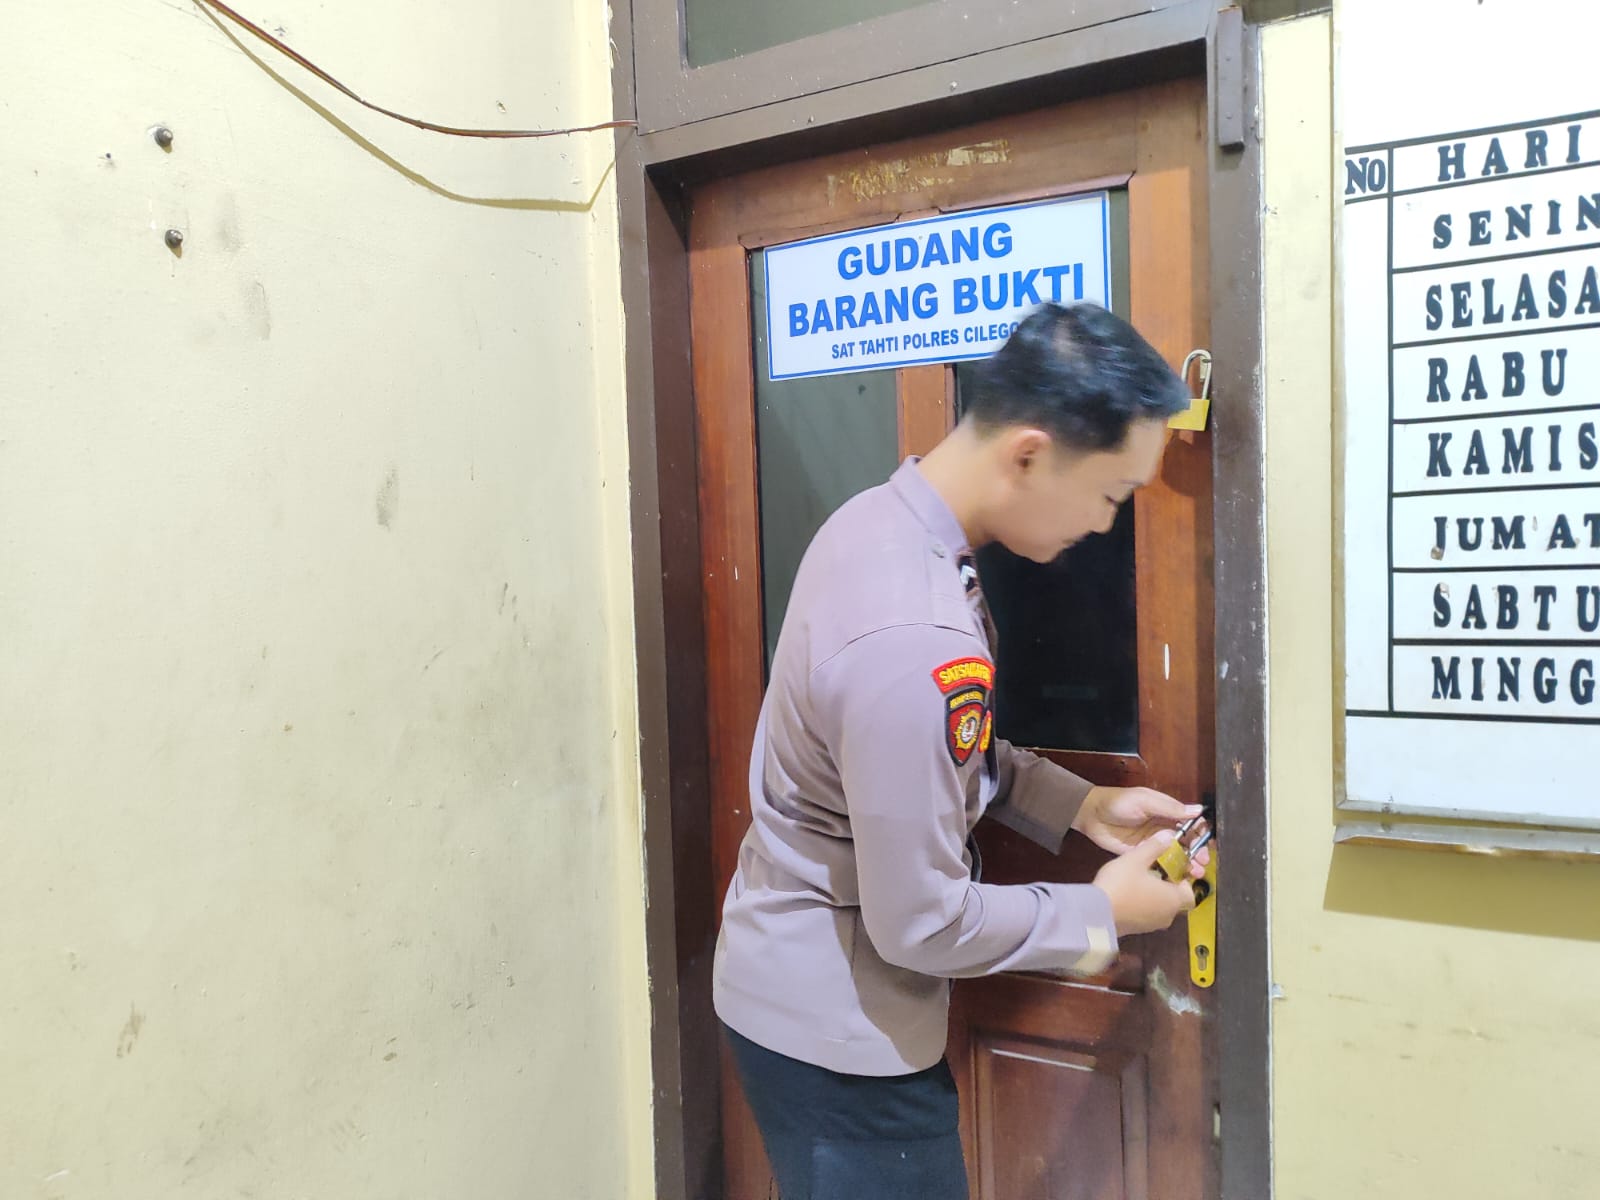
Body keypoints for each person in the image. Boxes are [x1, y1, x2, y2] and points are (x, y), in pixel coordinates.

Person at [711, 301, 1209, 1200]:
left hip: (797, 988)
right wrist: (1102, 915)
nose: (1105, 525)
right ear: (1028, 454)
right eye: (1111, 494)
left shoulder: (880, 521)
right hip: (836, 1041)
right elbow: (923, 923)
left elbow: (934, 755)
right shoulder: (914, 630)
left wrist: (1081, 804)